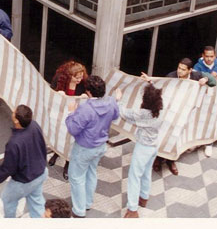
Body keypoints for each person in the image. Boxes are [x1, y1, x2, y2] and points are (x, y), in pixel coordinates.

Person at [65, 75, 119, 218]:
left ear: (88, 92)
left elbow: (73, 129)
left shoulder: (85, 108)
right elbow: (115, 116)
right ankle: (88, 203)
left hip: (84, 148)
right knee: (91, 172)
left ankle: (79, 210)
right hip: (101, 146)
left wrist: (71, 113)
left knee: (76, 177)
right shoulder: (111, 102)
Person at [153, 59, 215, 175]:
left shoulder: (195, 75)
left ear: (190, 70)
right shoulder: (171, 77)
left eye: (183, 69)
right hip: (170, 110)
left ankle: (171, 160)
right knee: (164, 134)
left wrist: (205, 79)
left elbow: (213, 80)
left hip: (185, 112)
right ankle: (158, 158)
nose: (180, 71)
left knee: (177, 136)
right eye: (179, 68)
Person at [114, 73, 163, 219]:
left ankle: (132, 209)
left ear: (145, 101)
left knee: (134, 176)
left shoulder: (142, 114)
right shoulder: (160, 111)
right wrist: (150, 82)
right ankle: (144, 198)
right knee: (146, 172)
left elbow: (123, 113)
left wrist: (118, 99)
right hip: (154, 146)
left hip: (143, 147)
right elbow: (159, 95)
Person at [0, 105, 48, 218]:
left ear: (16, 120)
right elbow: (42, 145)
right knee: (36, 201)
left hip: (25, 180)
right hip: (41, 172)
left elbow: (9, 167)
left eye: (14, 112)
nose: (12, 112)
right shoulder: (34, 125)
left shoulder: (14, 143)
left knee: (7, 199)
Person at [47, 61, 89, 179]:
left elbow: (90, 92)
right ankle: (57, 153)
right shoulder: (60, 79)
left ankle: (68, 163)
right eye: (77, 78)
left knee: (71, 139)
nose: (79, 80)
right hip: (61, 114)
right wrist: (58, 93)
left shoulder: (84, 82)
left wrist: (85, 96)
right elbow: (51, 92)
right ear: (69, 75)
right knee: (59, 135)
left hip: (76, 115)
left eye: (81, 77)